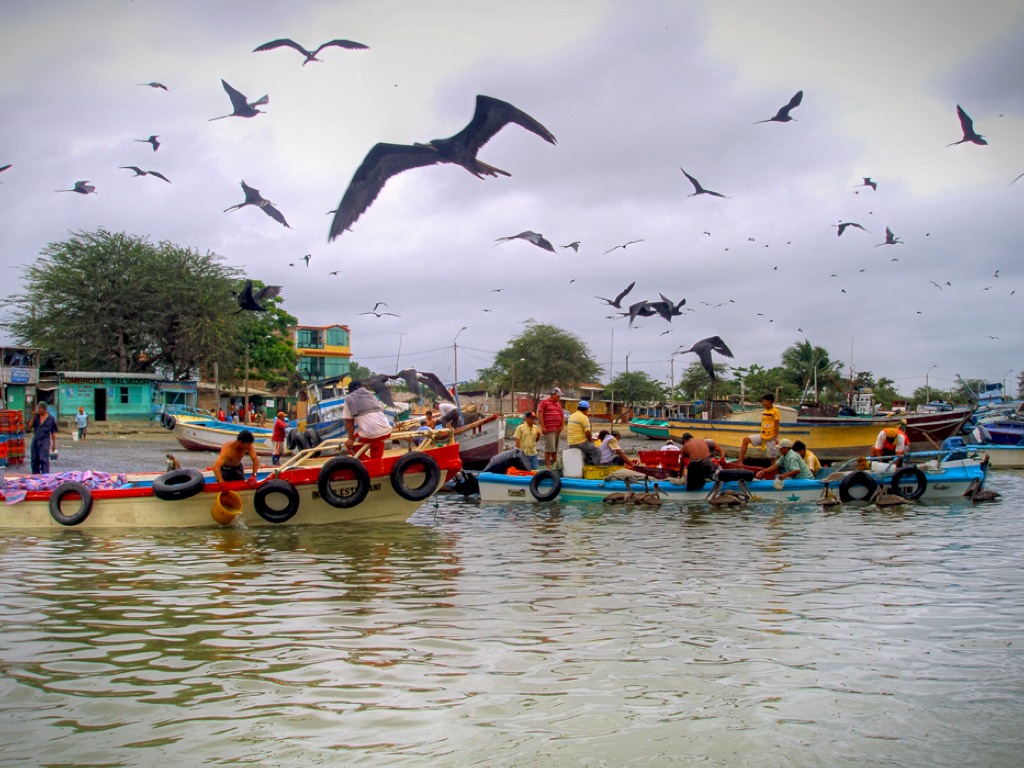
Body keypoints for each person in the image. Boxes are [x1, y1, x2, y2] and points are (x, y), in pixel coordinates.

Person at [342, 380, 393, 460]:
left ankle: (366, 463)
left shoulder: (349, 399)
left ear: (350, 390)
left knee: (351, 446)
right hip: (387, 431)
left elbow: (349, 421)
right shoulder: (371, 395)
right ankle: (376, 462)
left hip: (371, 434)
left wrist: (351, 439)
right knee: (377, 441)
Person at [738, 393, 782, 464]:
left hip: (771, 437)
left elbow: (776, 425)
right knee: (745, 440)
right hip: (763, 435)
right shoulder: (765, 412)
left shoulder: (776, 412)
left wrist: (776, 437)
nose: (763, 403)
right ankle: (740, 461)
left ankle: (773, 469)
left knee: (772, 457)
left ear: (769, 401)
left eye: (764, 401)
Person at [537, 387, 566, 469]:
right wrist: (543, 426)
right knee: (549, 449)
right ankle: (548, 466)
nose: (559, 398)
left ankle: (555, 466)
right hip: (549, 429)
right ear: (553, 394)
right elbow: (540, 414)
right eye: (558, 396)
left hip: (557, 430)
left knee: (555, 450)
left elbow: (562, 415)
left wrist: (562, 426)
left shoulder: (558, 404)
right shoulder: (544, 403)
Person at [566, 400, 601, 465]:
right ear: (586, 409)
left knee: (589, 449)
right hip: (580, 442)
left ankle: (586, 462)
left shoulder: (571, 416)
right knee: (597, 451)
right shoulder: (584, 417)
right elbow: (587, 432)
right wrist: (591, 442)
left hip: (571, 443)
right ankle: (592, 466)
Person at [28, 401, 58, 474]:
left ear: (44, 409)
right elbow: (29, 426)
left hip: (45, 439)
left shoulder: (51, 419)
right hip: (36, 439)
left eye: (39, 408)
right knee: (34, 458)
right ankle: (35, 475)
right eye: (37, 408)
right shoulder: (36, 417)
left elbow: (53, 432)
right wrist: (33, 417)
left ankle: (45, 475)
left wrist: (54, 444)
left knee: (43, 458)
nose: (38, 410)